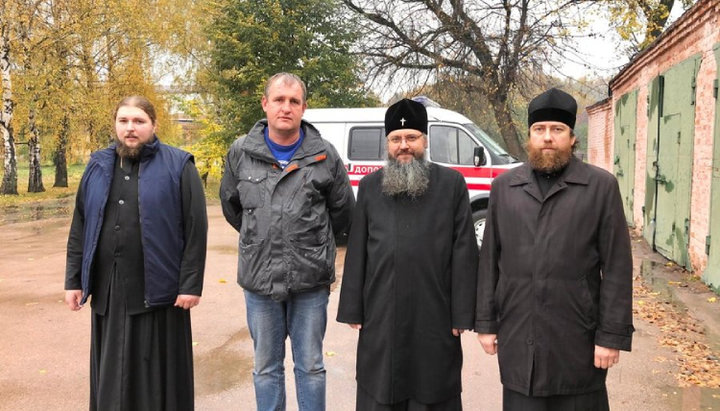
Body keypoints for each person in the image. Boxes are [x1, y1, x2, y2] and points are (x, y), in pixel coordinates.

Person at [475, 88, 634, 411]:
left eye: (557, 130)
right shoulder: (505, 188)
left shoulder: (600, 187)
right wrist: (486, 324)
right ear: (530, 135)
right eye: (540, 129)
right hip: (520, 337)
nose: (548, 137)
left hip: (578, 340)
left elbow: (617, 266)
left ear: (572, 137)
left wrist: (610, 336)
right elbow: (489, 259)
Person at [219, 72, 354, 411]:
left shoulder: (324, 154)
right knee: (266, 368)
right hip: (259, 282)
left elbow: (343, 214)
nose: (286, 107)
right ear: (265, 104)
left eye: (294, 101)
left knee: (310, 367)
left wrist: (315, 248)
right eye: (279, 99)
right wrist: (261, 238)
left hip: (310, 283)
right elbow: (232, 207)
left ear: (303, 108)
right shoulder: (241, 152)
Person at [64, 95, 208, 410]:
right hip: (110, 289)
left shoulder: (179, 165)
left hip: (161, 289)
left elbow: (196, 229)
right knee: (112, 369)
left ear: (153, 125)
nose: (131, 128)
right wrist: (74, 280)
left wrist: (190, 284)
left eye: (139, 121)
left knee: (157, 374)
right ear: (116, 125)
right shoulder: (98, 165)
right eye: (124, 121)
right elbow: (80, 224)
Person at [337, 98, 479, 411]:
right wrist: (353, 308)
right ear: (387, 143)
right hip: (381, 309)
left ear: (425, 141)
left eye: (411, 138)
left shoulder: (452, 185)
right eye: (396, 139)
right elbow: (358, 248)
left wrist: (462, 313)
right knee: (380, 385)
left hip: (435, 310)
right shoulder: (372, 186)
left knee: (433, 384)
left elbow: (464, 252)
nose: (404, 146)